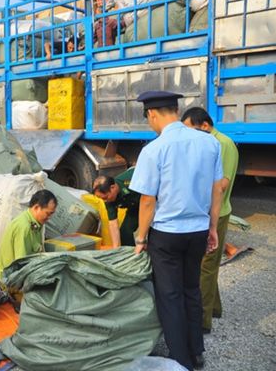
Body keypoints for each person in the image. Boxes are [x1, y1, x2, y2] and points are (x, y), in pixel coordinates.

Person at [129, 91, 223, 371]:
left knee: (169, 297)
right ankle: (197, 351)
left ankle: (181, 360)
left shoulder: (154, 149)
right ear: (175, 110)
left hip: (167, 235)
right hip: (197, 230)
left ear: (152, 114)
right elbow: (216, 188)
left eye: (148, 119)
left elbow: (148, 200)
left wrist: (140, 238)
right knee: (191, 289)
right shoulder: (209, 143)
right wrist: (213, 228)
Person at [181, 106, 239, 334]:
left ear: (204, 125)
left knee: (205, 267)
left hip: (216, 212)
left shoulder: (221, 144)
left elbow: (221, 184)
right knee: (207, 263)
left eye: (191, 129)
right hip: (207, 211)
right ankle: (214, 308)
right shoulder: (209, 142)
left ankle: (201, 320)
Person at [0, 190, 57, 281]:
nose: (49, 218)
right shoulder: (24, 227)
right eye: (48, 213)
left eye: (51, 214)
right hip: (11, 280)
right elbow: (22, 267)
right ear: (36, 207)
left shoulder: (35, 223)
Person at [92, 167, 139, 248]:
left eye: (105, 198)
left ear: (112, 187)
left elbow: (149, 200)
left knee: (155, 234)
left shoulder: (132, 182)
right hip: (134, 206)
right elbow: (113, 223)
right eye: (102, 199)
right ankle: (130, 257)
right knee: (125, 232)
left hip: (153, 200)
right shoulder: (108, 199)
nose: (104, 201)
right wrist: (115, 249)